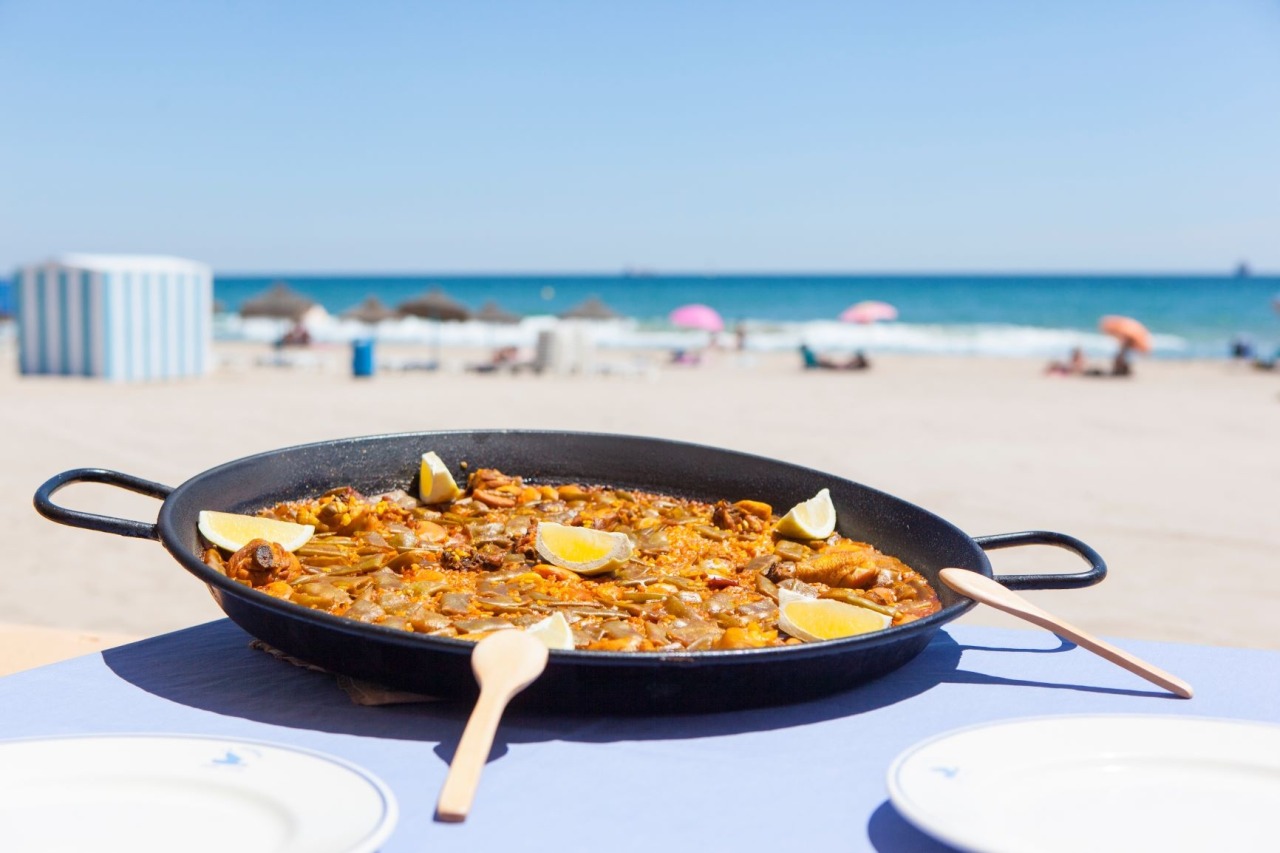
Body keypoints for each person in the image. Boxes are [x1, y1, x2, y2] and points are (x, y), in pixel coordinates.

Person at [800, 344, 870, 371]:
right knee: (834, 364)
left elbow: (811, 361)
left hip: (816, 364)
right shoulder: (809, 353)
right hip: (817, 364)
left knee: (834, 364)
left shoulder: (807, 353)